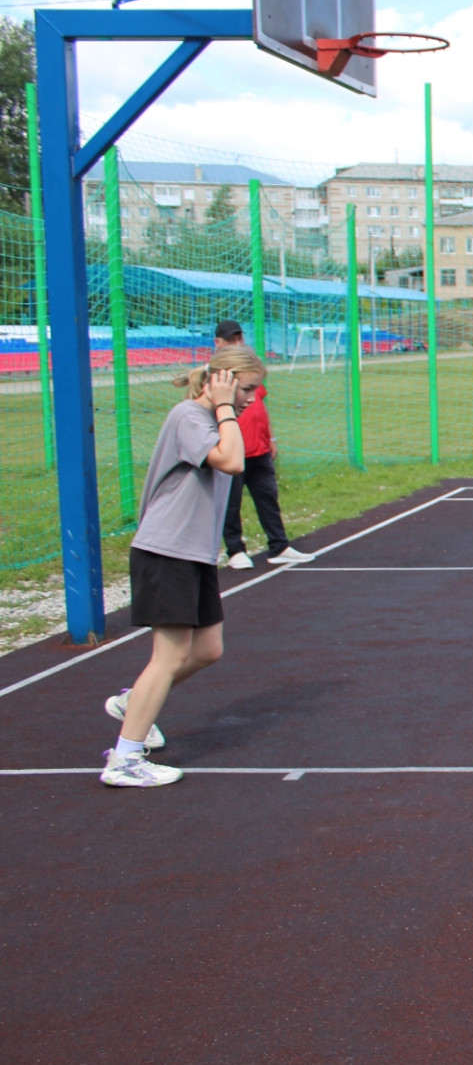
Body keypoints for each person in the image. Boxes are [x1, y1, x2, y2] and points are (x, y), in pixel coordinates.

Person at [99, 345, 265, 787]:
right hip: (166, 550)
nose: (252, 399)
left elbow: (235, 457)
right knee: (169, 657)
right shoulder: (190, 417)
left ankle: (134, 701)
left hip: (193, 553)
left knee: (208, 650)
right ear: (224, 381)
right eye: (246, 389)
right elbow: (231, 462)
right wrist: (227, 405)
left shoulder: (211, 419)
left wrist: (227, 408)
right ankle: (125, 760)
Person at [213, 320, 314, 570]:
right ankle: (235, 550)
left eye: (240, 338)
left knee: (268, 496)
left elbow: (260, 406)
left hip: (259, 448)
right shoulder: (218, 376)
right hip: (233, 450)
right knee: (231, 502)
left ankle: (279, 546)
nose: (238, 343)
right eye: (231, 339)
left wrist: (271, 438)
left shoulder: (250, 372)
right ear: (218, 343)